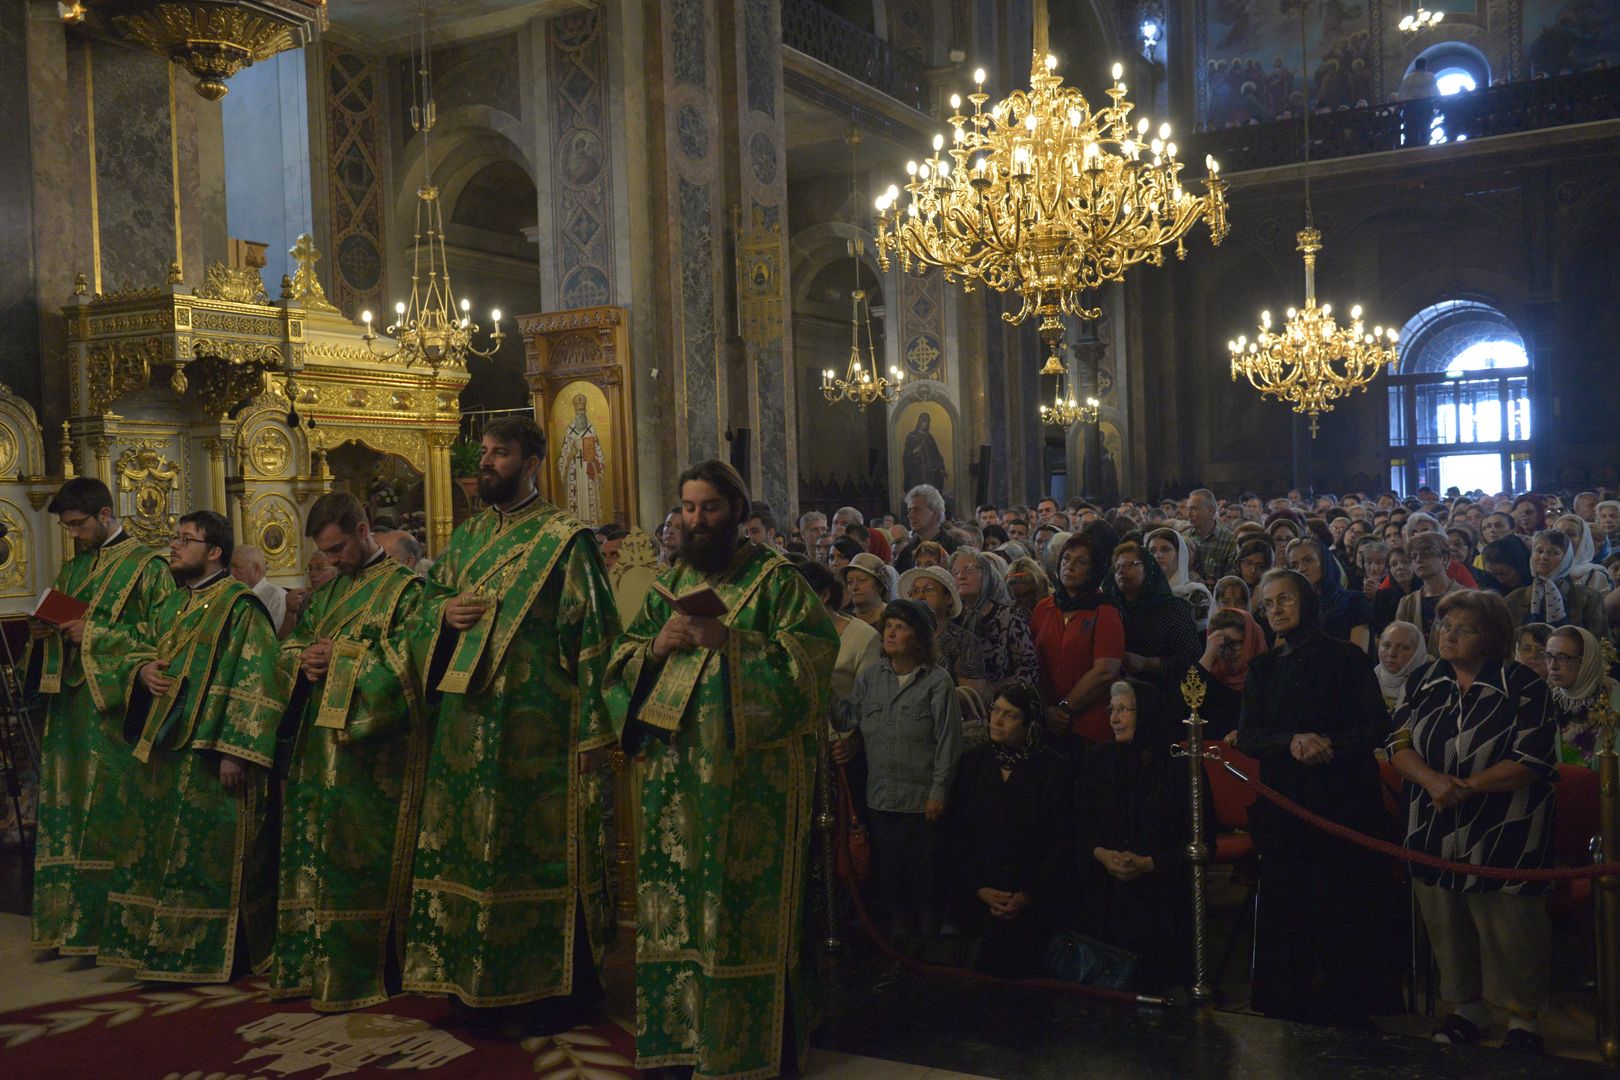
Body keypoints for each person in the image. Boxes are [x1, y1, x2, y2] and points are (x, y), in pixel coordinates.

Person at [605, 460, 837, 1080]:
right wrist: (657, 646)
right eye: (687, 508)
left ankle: (749, 1050)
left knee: (739, 919)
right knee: (677, 910)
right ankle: (678, 1044)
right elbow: (618, 662)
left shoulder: (777, 583)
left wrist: (729, 644)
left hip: (748, 791)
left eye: (708, 508)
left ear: (736, 512)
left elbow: (809, 670)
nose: (695, 520)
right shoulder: (670, 582)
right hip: (672, 785)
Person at [403, 416, 621, 1031]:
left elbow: (596, 639)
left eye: (502, 453)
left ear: (533, 462)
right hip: (464, 731)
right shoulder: (467, 539)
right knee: (469, 854)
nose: (487, 462)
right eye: (485, 453)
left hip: (540, 739)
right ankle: (467, 985)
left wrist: (595, 736)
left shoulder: (566, 540)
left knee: (536, 858)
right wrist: (443, 614)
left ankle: (550, 992)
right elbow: (422, 613)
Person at [79, 510, 289, 980]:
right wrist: (141, 671)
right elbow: (141, 647)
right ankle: (161, 948)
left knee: (209, 859)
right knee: (161, 854)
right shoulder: (172, 604)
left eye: (185, 540)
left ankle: (215, 954)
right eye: (175, 537)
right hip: (164, 751)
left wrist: (235, 749)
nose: (173, 546)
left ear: (214, 552)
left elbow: (258, 678)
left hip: (211, 756)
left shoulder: (239, 606)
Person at [271, 492, 427, 1012]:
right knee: (317, 855)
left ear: (363, 530)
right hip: (318, 751)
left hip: (373, 759)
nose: (331, 562)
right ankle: (316, 966)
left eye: (337, 549)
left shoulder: (407, 590)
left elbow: (414, 665)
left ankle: (373, 971)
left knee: (362, 863)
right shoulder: (328, 594)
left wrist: (344, 657)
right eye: (324, 553)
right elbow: (293, 646)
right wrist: (305, 662)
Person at [1389, 590, 1557, 1053]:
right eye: (1446, 627)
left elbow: (1533, 757)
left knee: (1510, 924)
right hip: (1433, 821)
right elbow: (1398, 742)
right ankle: (1466, 1008)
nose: (1450, 636)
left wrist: (1467, 786)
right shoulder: (1423, 680)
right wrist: (1432, 781)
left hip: (1505, 825)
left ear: (1492, 635)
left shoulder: (1525, 685)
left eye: (1464, 629)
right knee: (1445, 916)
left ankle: (1524, 1018)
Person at [1238, 568, 1398, 1027]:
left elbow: (1375, 726)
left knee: (1342, 901)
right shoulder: (1263, 668)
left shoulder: (1347, 658)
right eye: (1268, 604)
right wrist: (1291, 742)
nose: (1276, 610)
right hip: (1286, 803)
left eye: (1285, 599)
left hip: (1343, 801)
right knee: (1289, 904)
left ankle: (1348, 1000)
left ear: (1306, 602)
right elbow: (1249, 735)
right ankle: (1289, 998)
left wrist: (1328, 743)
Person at [28, 478, 174, 955]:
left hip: (112, 707)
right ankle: (64, 925)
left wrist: (92, 633)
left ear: (106, 515)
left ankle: (107, 928)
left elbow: (163, 636)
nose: (72, 534)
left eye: (78, 524)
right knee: (67, 807)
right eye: (67, 526)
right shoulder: (74, 569)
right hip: (70, 706)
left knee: (105, 810)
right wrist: (47, 628)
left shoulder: (149, 566)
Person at [834, 599, 963, 947]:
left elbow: (948, 742)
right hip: (882, 800)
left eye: (901, 627)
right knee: (893, 884)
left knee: (926, 884)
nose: (891, 632)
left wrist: (938, 791)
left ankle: (927, 954)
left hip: (922, 803)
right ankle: (899, 953)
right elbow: (848, 718)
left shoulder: (937, 683)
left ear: (919, 638)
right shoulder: (872, 677)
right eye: (889, 625)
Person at [1076, 678, 1213, 989]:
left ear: (1148, 712)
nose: (1114, 718)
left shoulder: (1182, 767)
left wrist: (1148, 863)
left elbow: (1205, 844)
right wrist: (1103, 854)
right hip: (1106, 890)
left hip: (1160, 892)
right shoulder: (1098, 760)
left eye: (1124, 709)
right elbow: (1080, 827)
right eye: (1112, 709)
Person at [946, 680, 1073, 977]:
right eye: (996, 711)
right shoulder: (974, 763)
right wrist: (979, 887)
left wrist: (1028, 894)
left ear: (1029, 724)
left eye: (1010, 715)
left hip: (1032, 902)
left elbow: (1062, 840)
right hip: (980, 899)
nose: (997, 720)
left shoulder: (1053, 769)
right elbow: (958, 830)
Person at [1029, 528, 1125, 746]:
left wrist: (1063, 709)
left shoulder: (1105, 610)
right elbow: (1030, 663)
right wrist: (1047, 710)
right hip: (1047, 720)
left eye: (1080, 562)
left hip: (1090, 723)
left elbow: (1105, 671)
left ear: (1093, 570)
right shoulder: (1044, 608)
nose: (1069, 566)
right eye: (1065, 558)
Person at [1104, 540, 1202, 695]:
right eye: (1117, 567)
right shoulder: (1112, 609)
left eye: (1129, 564)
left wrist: (1146, 663)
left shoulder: (1171, 608)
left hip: (1163, 693)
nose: (1121, 571)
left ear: (1148, 569)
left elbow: (1191, 658)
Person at [902, 564, 991, 714]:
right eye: (915, 590)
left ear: (948, 598)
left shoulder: (963, 641)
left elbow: (974, 694)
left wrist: (924, 696)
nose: (920, 596)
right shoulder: (901, 635)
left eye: (929, 589)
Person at [951, 548, 1038, 685]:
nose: (961, 576)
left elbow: (1028, 668)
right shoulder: (951, 618)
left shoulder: (1009, 617)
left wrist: (992, 691)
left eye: (969, 569)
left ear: (986, 575)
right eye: (955, 572)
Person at [1506, 529, 1609, 636]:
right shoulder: (1515, 598)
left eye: (1553, 553)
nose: (1544, 557)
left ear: (1566, 559)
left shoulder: (1588, 598)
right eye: (1539, 551)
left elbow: (1600, 641)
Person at [1543, 625, 1620, 768]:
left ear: (1586, 661)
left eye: (1562, 657)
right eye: (1548, 656)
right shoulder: (1547, 701)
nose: (1552, 666)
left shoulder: (1614, 702)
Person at [1184, 607, 1267, 740]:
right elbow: (1185, 705)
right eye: (1222, 645)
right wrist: (1209, 654)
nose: (1228, 652)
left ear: (1250, 642)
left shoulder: (1265, 680)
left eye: (1235, 644)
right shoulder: (1208, 677)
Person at [1286, 536, 1370, 650]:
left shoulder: (1354, 600)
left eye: (1308, 560)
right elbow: (1281, 655)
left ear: (1324, 561)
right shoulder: (1291, 605)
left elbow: (1359, 655)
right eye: (1294, 566)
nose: (1301, 569)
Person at [1396, 531, 1466, 656]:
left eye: (1426, 554)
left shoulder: (1466, 597)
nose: (1418, 559)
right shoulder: (1407, 602)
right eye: (1414, 556)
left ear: (1445, 558)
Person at [1148, 527, 1215, 631]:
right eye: (1152, 551)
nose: (1158, 555)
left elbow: (1202, 637)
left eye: (1165, 549)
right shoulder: (1145, 590)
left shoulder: (1194, 593)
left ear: (1180, 554)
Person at [894, 483, 957, 573]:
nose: (910, 515)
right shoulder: (906, 553)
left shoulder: (954, 548)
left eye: (916, 510)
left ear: (935, 513)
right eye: (909, 510)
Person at [231, 544, 289, 637]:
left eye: (236, 567)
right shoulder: (233, 595)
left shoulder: (277, 597)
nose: (232, 573)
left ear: (256, 569)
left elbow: (276, 637)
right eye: (230, 567)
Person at [1184, 488, 1238, 584]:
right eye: (1188, 509)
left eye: (1194, 509)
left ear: (1210, 510)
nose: (1188, 514)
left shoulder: (1229, 539)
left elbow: (1231, 579)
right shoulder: (1184, 537)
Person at [1554, 513, 1613, 595]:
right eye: (1558, 533)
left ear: (1583, 541)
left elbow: (1601, 606)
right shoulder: (1543, 568)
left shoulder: (1595, 575)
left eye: (1571, 534)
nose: (1563, 537)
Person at [1374, 620, 1426, 710]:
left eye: (1404, 647)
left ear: (1418, 653)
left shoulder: (1428, 688)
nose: (1392, 653)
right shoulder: (1371, 679)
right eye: (1387, 645)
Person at [841, 551, 892, 631]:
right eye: (850, 582)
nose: (855, 587)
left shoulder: (891, 619)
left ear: (879, 585)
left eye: (862, 580)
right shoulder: (844, 619)